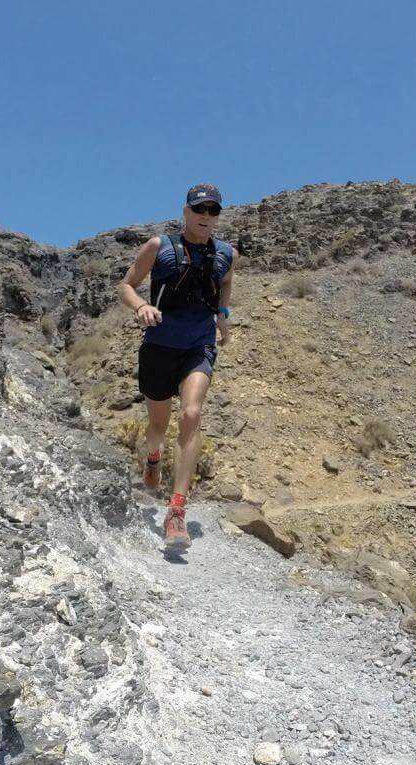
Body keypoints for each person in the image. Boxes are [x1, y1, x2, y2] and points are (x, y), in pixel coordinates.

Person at [117, 184, 236, 549]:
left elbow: (226, 285)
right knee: (158, 425)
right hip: (159, 345)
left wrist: (223, 316)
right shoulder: (159, 247)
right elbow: (126, 285)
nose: (206, 216)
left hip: (198, 346)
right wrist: (140, 307)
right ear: (185, 212)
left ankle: (177, 510)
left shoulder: (227, 254)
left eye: (213, 211)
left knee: (191, 414)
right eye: (199, 209)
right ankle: (153, 456)